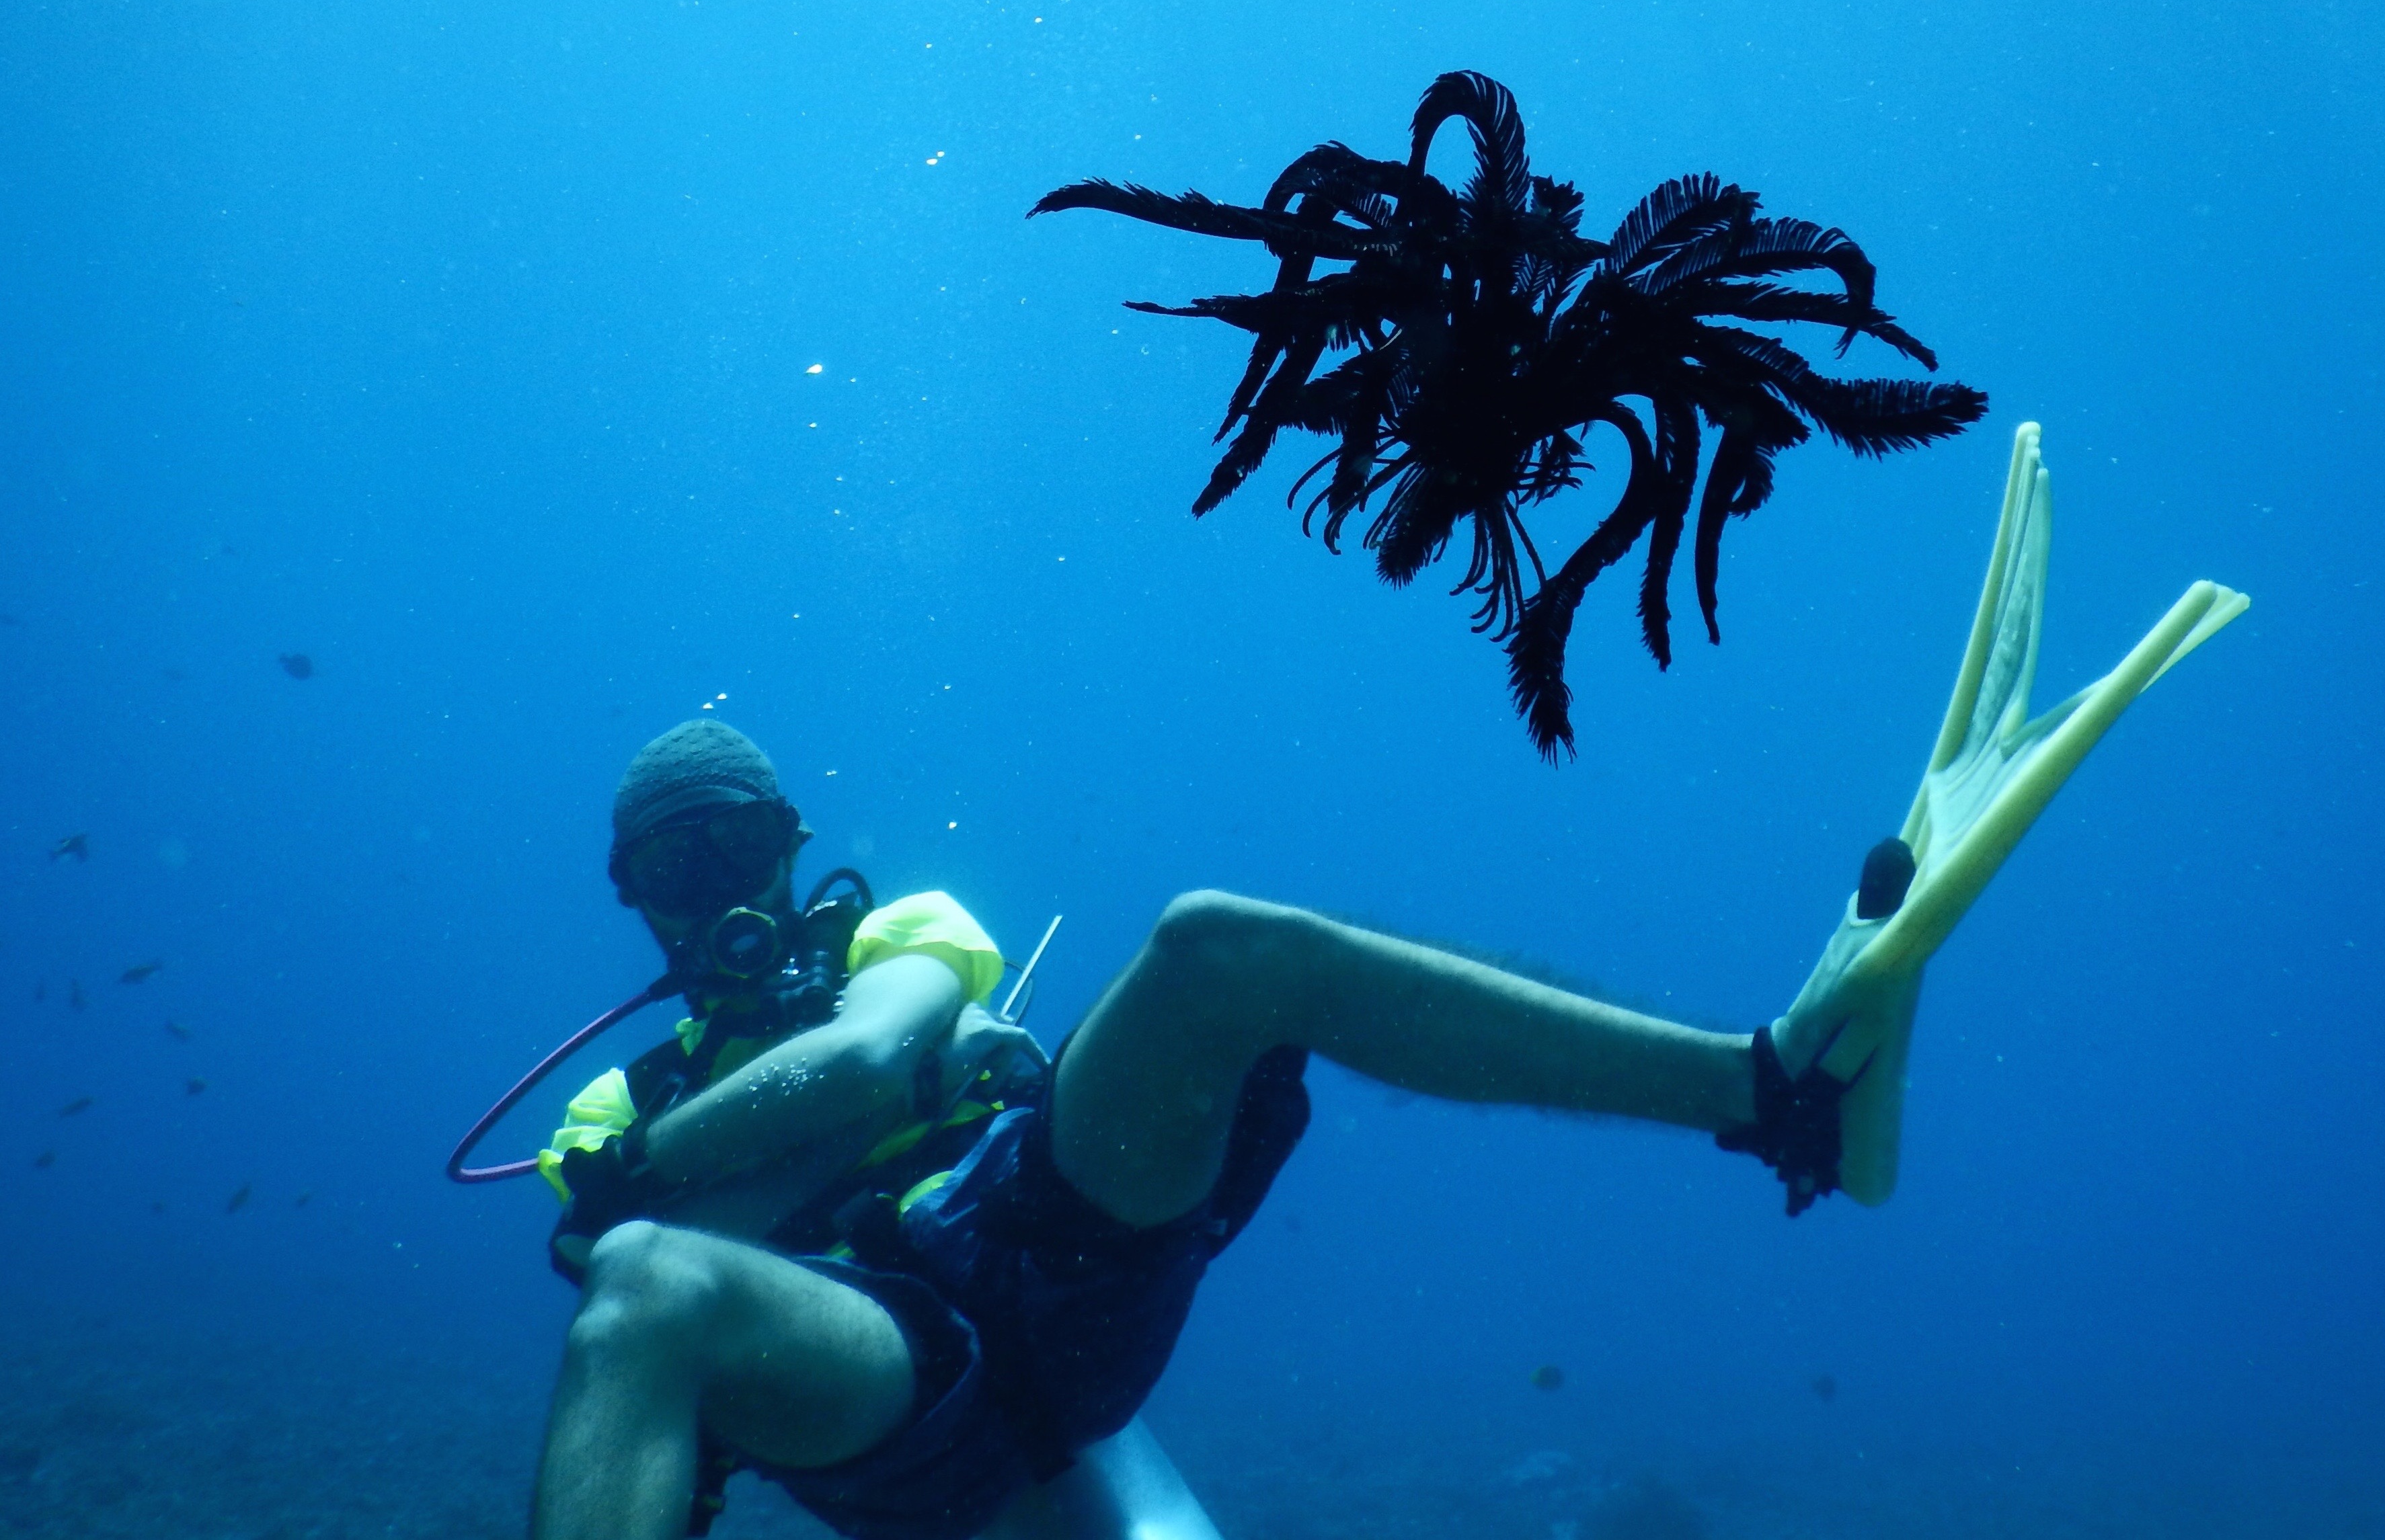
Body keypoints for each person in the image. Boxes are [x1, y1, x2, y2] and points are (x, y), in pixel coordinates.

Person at [527, 423, 2246, 1540]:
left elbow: (864, 1059)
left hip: (1044, 1253)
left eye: (732, 845)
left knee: (1217, 944)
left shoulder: (892, 938)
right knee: (652, 1280)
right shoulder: (608, 1103)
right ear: (633, 904)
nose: (712, 895)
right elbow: (677, 1279)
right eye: (667, 873)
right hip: (883, 1376)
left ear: (791, 847)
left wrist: (674, 1161)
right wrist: (681, 1177)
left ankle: (1780, 1085)